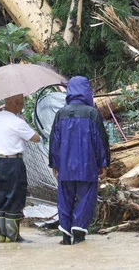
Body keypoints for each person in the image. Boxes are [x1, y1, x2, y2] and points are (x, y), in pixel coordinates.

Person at [49, 76, 109, 245]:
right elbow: (100, 141)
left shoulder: (61, 114)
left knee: (64, 199)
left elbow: (55, 140)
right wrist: (103, 163)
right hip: (87, 165)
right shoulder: (92, 114)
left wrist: (54, 162)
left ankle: (66, 235)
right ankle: (79, 229)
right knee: (86, 198)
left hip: (65, 167)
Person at [0, 94, 40, 243]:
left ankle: (2, 235)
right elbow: (35, 138)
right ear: (16, 103)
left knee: (2, 195)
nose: (22, 106)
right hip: (14, 163)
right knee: (15, 196)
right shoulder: (17, 122)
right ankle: (14, 236)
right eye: (22, 103)